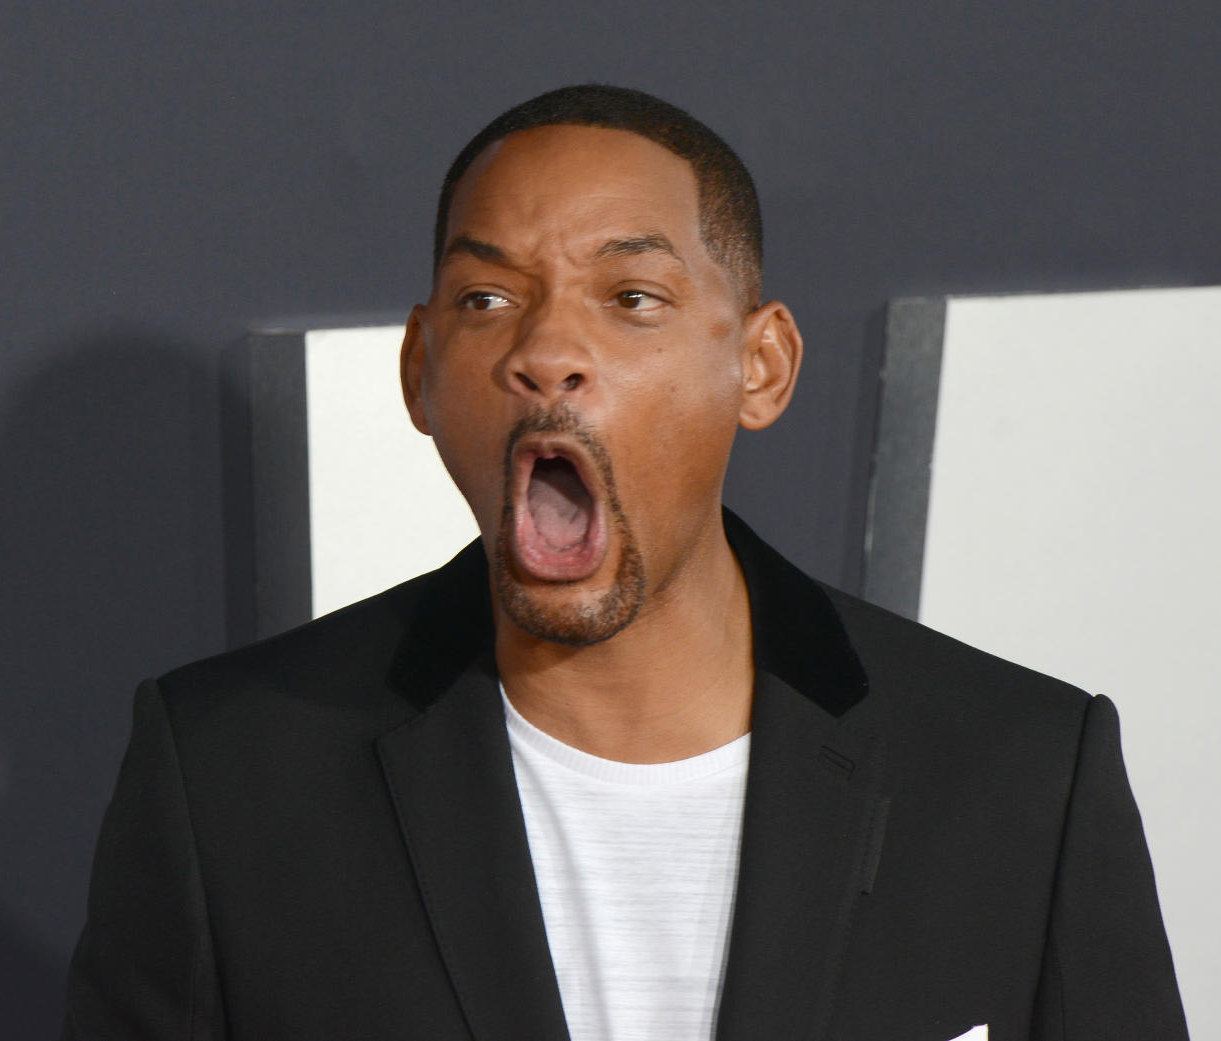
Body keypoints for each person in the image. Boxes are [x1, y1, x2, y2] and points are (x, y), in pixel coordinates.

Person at [62, 85, 1187, 1041]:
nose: (547, 351)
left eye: (631, 298)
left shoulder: (1022, 775)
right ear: (419, 369)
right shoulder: (227, 780)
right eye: (488, 299)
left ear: (761, 365)